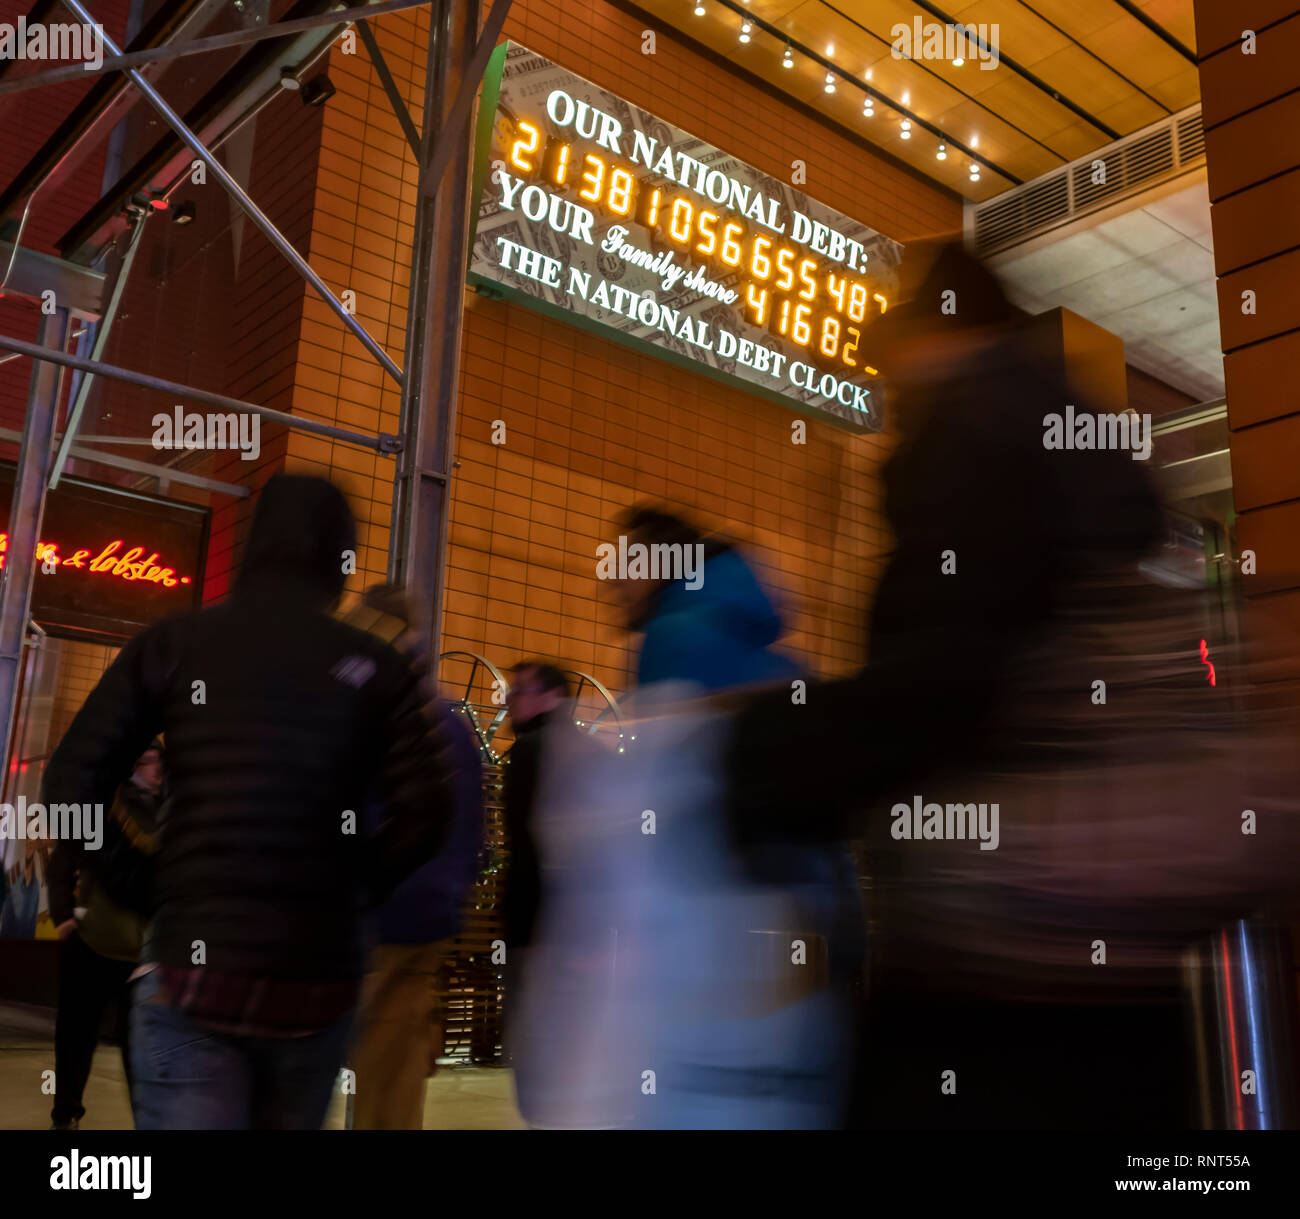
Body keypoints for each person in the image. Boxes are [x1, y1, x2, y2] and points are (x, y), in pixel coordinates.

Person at [724, 238, 1299, 1128]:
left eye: (896, 360)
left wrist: (761, 757)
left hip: (993, 960)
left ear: (933, 337)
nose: (887, 395)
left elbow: (943, 688)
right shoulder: (1082, 448)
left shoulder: (972, 447)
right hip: (1126, 978)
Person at [40, 474, 460, 1130]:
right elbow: (430, 811)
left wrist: (148, 884)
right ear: (338, 560)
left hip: (188, 967)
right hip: (315, 977)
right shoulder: (376, 665)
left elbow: (69, 782)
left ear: (254, 546)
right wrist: (349, 891)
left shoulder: (175, 644)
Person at [342, 584, 484, 1130]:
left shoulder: (376, 709)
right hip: (429, 919)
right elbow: (470, 831)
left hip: (379, 918)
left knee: (346, 1061)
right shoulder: (449, 720)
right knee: (392, 1069)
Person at [45, 742, 164, 1130]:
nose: (156, 769)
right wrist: (63, 915)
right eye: (147, 762)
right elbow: (65, 858)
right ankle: (65, 1114)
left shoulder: (171, 810)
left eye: (160, 761)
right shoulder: (107, 804)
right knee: (76, 1041)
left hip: (144, 954)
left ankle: (148, 1121)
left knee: (142, 1051)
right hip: (92, 942)